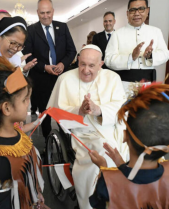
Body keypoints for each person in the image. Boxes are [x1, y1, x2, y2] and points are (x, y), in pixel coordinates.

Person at [47, 45, 128, 209]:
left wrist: (99, 110)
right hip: (83, 133)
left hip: (111, 129)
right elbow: (56, 113)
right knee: (98, 154)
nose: (85, 70)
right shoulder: (64, 79)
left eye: (91, 65)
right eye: (82, 64)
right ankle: (92, 204)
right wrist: (79, 111)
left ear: (101, 64)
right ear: (77, 61)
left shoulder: (113, 78)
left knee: (134, 151)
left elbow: (122, 110)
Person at [89, 84, 169, 208]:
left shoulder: (107, 184)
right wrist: (120, 163)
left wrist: (103, 169)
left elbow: (100, 204)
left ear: (125, 135)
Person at [0, 58, 46, 209]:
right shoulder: (0, 160)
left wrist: (35, 197)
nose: (29, 104)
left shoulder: (14, 132)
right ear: (6, 108)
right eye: (25, 100)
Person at [23, 0, 77, 143]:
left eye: (48, 12)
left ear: (53, 11)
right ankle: (48, 143)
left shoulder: (63, 27)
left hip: (62, 78)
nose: (46, 16)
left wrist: (62, 64)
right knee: (45, 113)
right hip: (41, 79)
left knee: (63, 112)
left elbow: (72, 51)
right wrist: (44, 66)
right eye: (42, 13)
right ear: (37, 13)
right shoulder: (31, 30)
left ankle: (66, 142)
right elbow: (28, 54)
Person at [104, 0, 169, 73]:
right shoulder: (117, 34)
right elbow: (108, 59)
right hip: (124, 82)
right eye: (132, 10)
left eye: (141, 9)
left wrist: (150, 56)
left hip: (148, 82)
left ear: (147, 11)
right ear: (127, 13)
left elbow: (165, 54)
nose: (137, 14)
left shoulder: (156, 31)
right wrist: (130, 57)